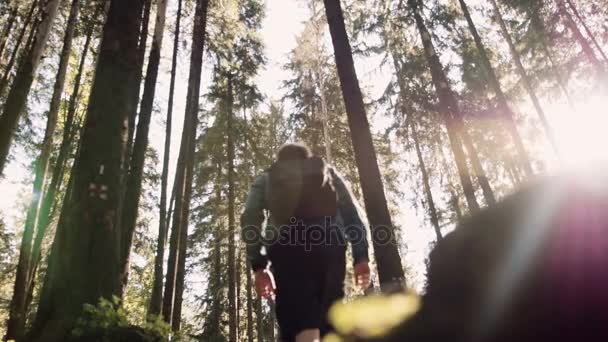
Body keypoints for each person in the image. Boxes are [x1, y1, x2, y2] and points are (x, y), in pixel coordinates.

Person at [241, 143, 371, 342]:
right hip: (330, 245)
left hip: (287, 249)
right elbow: (351, 214)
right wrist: (361, 256)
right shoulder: (327, 173)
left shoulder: (269, 177)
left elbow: (250, 215)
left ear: (281, 160)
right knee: (332, 319)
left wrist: (259, 265)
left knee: (297, 322)